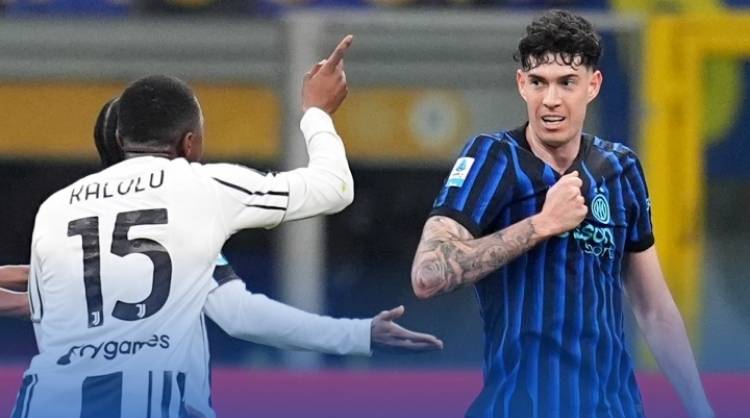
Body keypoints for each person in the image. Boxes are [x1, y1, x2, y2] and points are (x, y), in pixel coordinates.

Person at [12, 35, 394, 418]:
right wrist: (317, 112)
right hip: (150, 403)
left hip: (44, 403)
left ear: (119, 139)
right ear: (190, 143)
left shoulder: (54, 209)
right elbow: (333, 189)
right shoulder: (199, 190)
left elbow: (47, 327)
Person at [410, 10, 713, 418]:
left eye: (567, 82)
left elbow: (654, 309)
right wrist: (541, 224)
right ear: (522, 84)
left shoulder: (620, 168)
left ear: (593, 85)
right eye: (539, 82)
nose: (551, 99)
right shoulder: (492, 159)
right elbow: (427, 275)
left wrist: (700, 408)